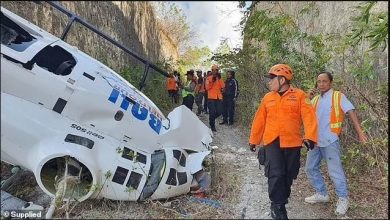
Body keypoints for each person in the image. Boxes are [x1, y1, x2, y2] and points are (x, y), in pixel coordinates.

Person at [248, 64, 318, 219]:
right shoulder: (268, 98)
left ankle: (282, 199)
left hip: (292, 142)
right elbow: (259, 120)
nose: (269, 82)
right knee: (276, 173)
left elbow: (309, 117)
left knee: (289, 174)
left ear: (282, 79)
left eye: (272, 79)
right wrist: (254, 140)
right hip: (272, 141)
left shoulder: (299, 96)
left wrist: (310, 137)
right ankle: (277, 206)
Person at [304, 71, 368, 216]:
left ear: (330, 83)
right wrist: (307, 98)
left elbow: (350, 111)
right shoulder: (314, 99)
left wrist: (360, 133)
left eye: (324, 81)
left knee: (335, 172)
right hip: (315, 142)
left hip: (330, 140)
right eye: (319, 81)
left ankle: (343, 198)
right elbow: (306, 116)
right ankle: (322, 193)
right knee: (310, 168)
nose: (321, 84)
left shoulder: (338, 96)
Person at [205, 64, 224, 132]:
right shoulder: (208, 78)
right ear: (212, 70)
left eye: (217, 70)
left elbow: (223, 87)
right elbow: (207, 88)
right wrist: (212, 82)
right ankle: (212, 125)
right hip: (211, 97)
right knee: (212, 112)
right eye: (214, 70)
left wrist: (219, 79)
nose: (215, 71)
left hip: (219, 97)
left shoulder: (219, 78)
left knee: (219, 112)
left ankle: (211, 119)